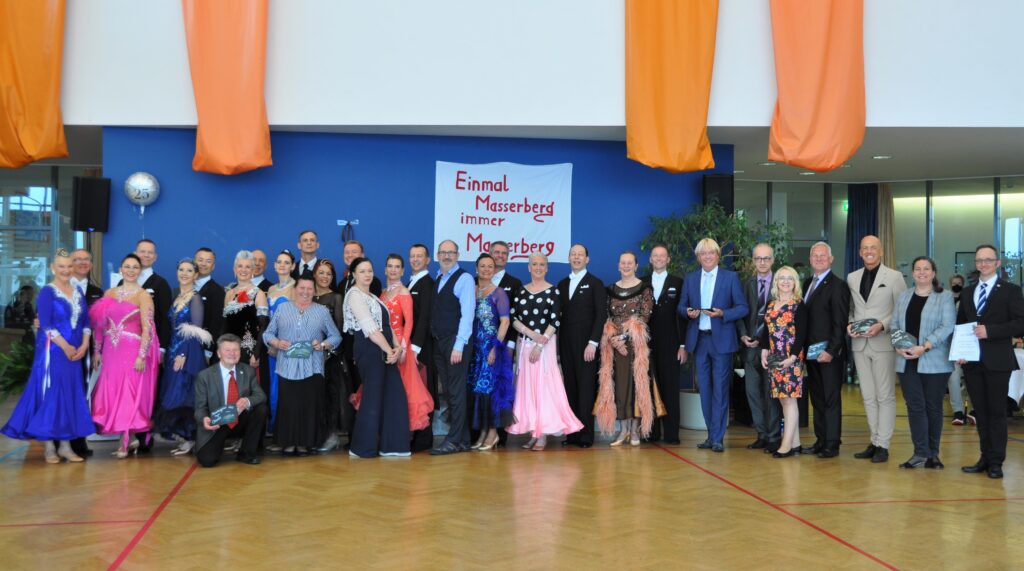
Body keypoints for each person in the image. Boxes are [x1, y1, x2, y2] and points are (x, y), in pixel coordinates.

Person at [2, 250, 94, 464]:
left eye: (69, 266)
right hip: (53, 353)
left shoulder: (77, 291)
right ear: (53, 268)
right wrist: (65, 346)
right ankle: (50, 446)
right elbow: (46, 323)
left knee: (70, 396)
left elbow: (86, 323)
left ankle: (65, 445)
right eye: (61, 266)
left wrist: (83, 345)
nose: (66, 270)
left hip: (75, 353)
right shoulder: (47, 292)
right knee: (52, 395)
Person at [957, 244, 1024, 479]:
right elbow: (961, 326)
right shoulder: (967, 292)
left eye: (988, 260)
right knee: (981, 413)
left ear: (997, 263)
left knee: (996, 413)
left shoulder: (1011, 291)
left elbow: (1020, 323)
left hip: (998, 361)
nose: (983, 264)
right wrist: (959, 351)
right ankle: (984, 457)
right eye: (979, 260)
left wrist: (991, 331)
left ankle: (997, 462)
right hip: (972, 363)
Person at [676, 238, 748, 452]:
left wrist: (723, 313)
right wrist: (687, 312)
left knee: (720, 390)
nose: (707, 256)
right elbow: (681, 306)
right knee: (705, 390)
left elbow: (743, 307)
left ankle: (718, 437)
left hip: (722, 342)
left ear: (718, 255)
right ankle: (710, 435)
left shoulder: (731, 277)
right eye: (703, 253)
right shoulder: (690, 278)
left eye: (711, 253)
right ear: (698, 257)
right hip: (699, 341)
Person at [508, 253, 583, 449]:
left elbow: (555, 320)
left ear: (547, 268)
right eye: (534, 264)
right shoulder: (521, 291)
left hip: (545, 345)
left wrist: (540, 344)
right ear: (529, 267)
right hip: (526, 345)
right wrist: (530, 334)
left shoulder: (553, 291)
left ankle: (543, 433)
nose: (538, 267)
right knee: (528, 389)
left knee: (543, 387)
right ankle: (534, 430)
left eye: (542, 264)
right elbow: (514, 318)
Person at [90, 253, 162, 458]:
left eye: (135, 267)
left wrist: (142, 355)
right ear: (121, 269)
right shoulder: (109, 293)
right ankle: (125, 439)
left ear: (140, 271)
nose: (131, 270)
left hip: (132, 351)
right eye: (127, 266)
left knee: (128, 394)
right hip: (111, 352)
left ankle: (126, 441)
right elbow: (99, 323)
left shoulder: (143, 295)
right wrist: (97, 350)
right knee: (113, 392)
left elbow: (148, 328)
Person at [264, 275, 342, 456]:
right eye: (302, 288)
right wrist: (277, 342)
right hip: (286, 366)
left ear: (314, 291)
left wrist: (322, 345)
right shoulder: (283, 309)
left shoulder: (322, 311)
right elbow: (267, 334)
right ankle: (288, 443)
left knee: (310, 406)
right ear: (295, 289)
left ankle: (308, 443)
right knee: (289, 406)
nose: (305, 292)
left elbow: (335, 336)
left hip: (312, 366)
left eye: (309, 289)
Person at [890, 256, 955, 469]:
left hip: (934, 361)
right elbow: (895, 324)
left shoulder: (944, 297)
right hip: (907, 360)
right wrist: (898, 345)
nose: (922, 272)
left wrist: (925, 346)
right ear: (913, 273)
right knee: (915, 407)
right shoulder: (904, 296)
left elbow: (947, 326)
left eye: (926, 269)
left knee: (933, 407)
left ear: (933, 273)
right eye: (917, 269)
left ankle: (933, 454)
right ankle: (920, 453)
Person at [847, 235, 907, 464]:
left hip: (883, 343)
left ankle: (884, 443)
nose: (869, 251)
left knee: (885, 396)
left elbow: (901, 309)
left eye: (873, 248)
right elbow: (852, 309)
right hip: (859, 344)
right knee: (868, 396)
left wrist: (882, 325)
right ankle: (874, 440)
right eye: (865, 248)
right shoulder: (852, 278)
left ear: (881, 251)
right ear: (860, 252)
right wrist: (850, 324)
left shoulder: (893, 277)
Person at [344, 258, 411, 458]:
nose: (367, 274)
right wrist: (388, 350)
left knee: (395, 395)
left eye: (370, 270)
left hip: (384, 347)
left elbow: (387, 325)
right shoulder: (354, 295)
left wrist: (397, 346)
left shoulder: (374, 296)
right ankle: (362, 448)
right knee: (372, 397)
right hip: (369, 348)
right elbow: (370, 328)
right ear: (353, 274)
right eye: (362, 271)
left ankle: (393, 446)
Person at [595, 252, 657, 446]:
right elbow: (605, 316)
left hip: (635, 345)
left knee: (636, 386)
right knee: (619, 387)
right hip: (614, 347)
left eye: (630, 263)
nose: (626, 266)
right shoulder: (611, 289)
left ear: (636, 266)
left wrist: (624, 337)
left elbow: (644, 316)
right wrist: (613, 338)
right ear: (618, 265)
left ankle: (635, 431)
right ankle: (622, 431)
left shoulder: (644, 288)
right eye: (623, 262)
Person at [153, 259, 212, 456]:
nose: (184, 273)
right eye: (181, 270)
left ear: (196, 275)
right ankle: (185, 437)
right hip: (173, 352)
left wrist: (183, 354)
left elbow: (194, 330)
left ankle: (191, 438)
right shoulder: (178, 296)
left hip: (188, 352)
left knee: (185, 394)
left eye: (189, 271)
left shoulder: (195, 298)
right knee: (175, 394)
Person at [801, 242, 851, 459]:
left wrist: (831, 350)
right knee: (817, 399)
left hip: (829, 354)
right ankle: (821, 440)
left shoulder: (838, 285)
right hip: (810, 353)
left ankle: (832, 443)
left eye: (823, 256)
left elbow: (840, 323)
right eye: (815, 255)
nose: (819, 259)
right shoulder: (806, 283)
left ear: (831, 259)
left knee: (831, 399)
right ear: (810, 259)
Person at [556, 244, 607, 448]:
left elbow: (601, 315)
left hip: (587, 345)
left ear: (587, 259)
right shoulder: (561, 284)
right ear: (569, 258)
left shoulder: (595, 283)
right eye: (573, 254)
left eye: (580, 255)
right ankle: (572, 434)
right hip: (566, 344)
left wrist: (593, 343)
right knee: (570, 388)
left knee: (586, 389)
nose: (576, 257)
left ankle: (586, 436)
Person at [429, 239, 476, 455]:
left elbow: (467, 315)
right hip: (440, 343)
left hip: (456, 343)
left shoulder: (464, 278)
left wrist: (459, 345)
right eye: (443, 252)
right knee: (450, 391)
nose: (447, 256)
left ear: (457, 255)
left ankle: (454, 440)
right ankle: (464, 439)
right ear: (438, 255)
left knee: (455, 392)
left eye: (451, 252)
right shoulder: (439, 277)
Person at [378, 254, 434, 434]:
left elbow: (409, 322)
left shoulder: (404, 292)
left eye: (397, 267)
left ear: (402, 271)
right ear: (385, 269)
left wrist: (402, 347)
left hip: (400, 344)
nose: (393, 270)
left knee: (403, 389)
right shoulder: (383, 293)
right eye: (390, 266)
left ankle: (400, 433)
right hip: (383, 343)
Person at [194, 334, 268, 467]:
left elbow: (261, 395)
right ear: (218, 353)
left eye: (236, 350)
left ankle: (246, 453)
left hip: (239, 420)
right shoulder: (204, 376)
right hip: (217, 424)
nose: (232, 353)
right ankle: (218, 447)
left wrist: (247, 400)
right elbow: (200, 408)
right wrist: (204, 419)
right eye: (227, 350)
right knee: (207, 460)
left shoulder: (248, 371)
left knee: (260, 409)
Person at [736, 243, 783, 451]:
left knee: (771, 393)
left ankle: (774, 437)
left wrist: (765, 339)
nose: (762, 262)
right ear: (753, 261)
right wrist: (743, 334)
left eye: (766, 258)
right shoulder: (746, 284)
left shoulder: (782, 283)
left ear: (772, 260)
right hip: (750, 348)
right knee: (753, 393)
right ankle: (761, 434)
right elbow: (739, 312)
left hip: (772, 348)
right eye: (758, 258)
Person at [758, 266, 808, 458]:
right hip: (774, 357)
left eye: (790, 278)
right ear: (776, 282)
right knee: (782, 399)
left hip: (790, 358)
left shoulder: (798, 304)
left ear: (795, 283)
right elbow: (766, 331)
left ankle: (785, 445)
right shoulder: (771, 304)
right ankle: (795, 443)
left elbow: (801, 334)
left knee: (789, 400)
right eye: (782, 278)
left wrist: (793, 357)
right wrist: (764, 351)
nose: (786, 282)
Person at [467, 254, 513, 451]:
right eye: (483, 266)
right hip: (473, 349)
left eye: (490, 266)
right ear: (476, 268)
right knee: (477, 391)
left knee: (489, 390)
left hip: (490, 349)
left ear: (494, 270)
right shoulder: (472, 290)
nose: (486, 269)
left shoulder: (499, 292)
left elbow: (505, 321)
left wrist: (496, 346)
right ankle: (484, 432)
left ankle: (493, 433)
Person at [644, 244, 685, 445]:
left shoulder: (679, 282)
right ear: (650, 259)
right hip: (647, 343)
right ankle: (651, 432)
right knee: (649, 386)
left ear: (668, 259)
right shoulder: (642, 283)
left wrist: (683, 345)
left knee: (670, 387)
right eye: (655, 256)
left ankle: (671, 434)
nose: (659, 259)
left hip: (671, 343)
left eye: (662, 256)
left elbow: (683, 317)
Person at [65, 248, 104, 457]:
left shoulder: (98, 291)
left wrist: (98, 351)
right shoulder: (59, 289)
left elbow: (102, 325)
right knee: (65, 395)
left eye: (86, 259)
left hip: (88, 352)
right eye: (77, 259)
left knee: (83, 395)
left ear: (91, 263)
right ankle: (61, 440)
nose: (82, 263)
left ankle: (79, 441)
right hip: (64, 351)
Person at [311, 259, 350, 453]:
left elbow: (339, 330)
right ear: (314, 275)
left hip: (329, 358)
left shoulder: (336, 297)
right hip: (307, 357)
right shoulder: (307, 297)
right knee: (313, 399)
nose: (325, 276)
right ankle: (314, 435)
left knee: (330, 398)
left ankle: (331, 436)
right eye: (322, 272)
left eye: (329, 274)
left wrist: (328, 351)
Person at [488, 240, 522, 448]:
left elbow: (514, 317)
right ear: (489, 254)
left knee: (501, 387)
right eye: (496, 252)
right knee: (483, 387)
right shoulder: (477, 281)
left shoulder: (514, 283)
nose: (500, 256)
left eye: (504, 253)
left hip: (504, 346)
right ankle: (483, 430)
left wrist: (509, 344)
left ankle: (501, 432)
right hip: (482, 345)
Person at [223, 250, 269, 386]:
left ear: (253, 270)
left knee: (245, 390)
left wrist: (256, 353)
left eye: (248, 266)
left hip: (248, 352)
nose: (243, 270)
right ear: (234, 269)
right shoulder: (229, 293)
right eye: (240, 266)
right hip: (228, 349)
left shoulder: (258, 294)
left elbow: (264, 327)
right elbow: (225, 324)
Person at [407, 243, 437, 452]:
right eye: (413, 256)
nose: (416, 259)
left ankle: (425, 439)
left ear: (427, 260)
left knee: (425, 391)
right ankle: (416, 436)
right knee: (414, 393)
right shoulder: (411, 282)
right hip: (411, 347)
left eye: (420, 256)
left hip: (423, 349)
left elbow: (425, 317)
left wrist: (415, 348)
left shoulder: (427, 284)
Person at [265, 250, 296, 435]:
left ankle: (284, 432)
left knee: (284, 390)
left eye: (286, 262)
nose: (282, 265)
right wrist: (271, 343)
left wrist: (280, 344)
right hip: (272, 345)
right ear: (275, 265)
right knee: (273, 389)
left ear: (292, 266)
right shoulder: (271, 289)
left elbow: (295, 320)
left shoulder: (295, 288)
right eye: (279, 262)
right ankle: (274, 428)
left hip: (286, 346)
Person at [947, 273, 970, 426]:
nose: (956, 285)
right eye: (954, 283)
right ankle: (958, 411)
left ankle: (974, 410)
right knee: (953, 377)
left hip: (968, 343)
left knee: (972, 378)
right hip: (951, 345)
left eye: (959, 283)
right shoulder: (945, 299)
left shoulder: (969, 298)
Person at [193, 247, 225, 346]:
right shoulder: (184, 287)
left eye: (208, 261)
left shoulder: (218, 291)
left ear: (213, 266)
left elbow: (216, 324)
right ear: (194, 263)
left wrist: (208, 351)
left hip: (202, 346)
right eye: (200, 260)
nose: (203, 264)